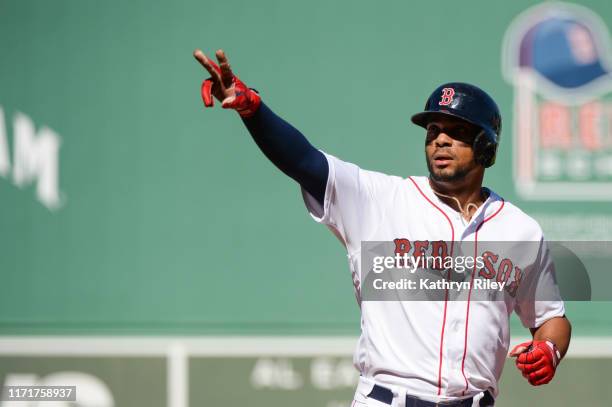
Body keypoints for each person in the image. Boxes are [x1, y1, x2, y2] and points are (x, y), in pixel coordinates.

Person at [193, 48, 571, 407]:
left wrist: (549, 349)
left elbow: (550, 317)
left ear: (486, 146)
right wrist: (252, 109)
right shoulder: (380, 200)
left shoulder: (520, 230)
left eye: (455, 130)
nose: (439, 138)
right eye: (433, 129)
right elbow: (304, 161)